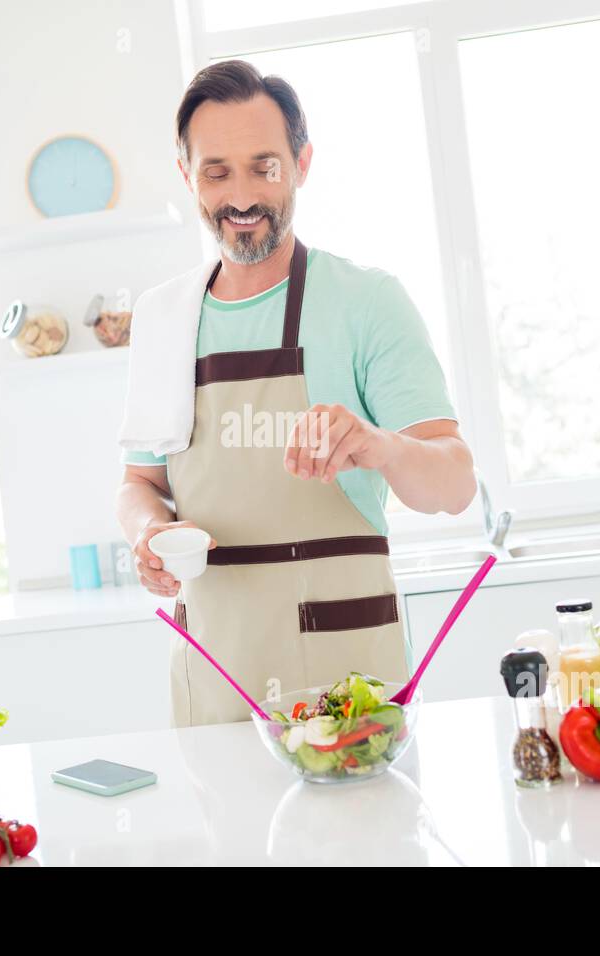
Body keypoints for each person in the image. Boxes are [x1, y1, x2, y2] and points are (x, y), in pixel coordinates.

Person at [116, 60, 475, 726]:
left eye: (265, 167)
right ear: (187, 176)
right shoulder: (163, 318)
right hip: (218, 670)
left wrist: (380, 446)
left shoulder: (366, 301)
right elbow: (140, 484)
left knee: (363, 832)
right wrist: (149, 534)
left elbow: (454, 486)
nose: (242, 196)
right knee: (227, 831)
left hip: (347, 671)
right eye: (216, 171)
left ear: (302, 164)